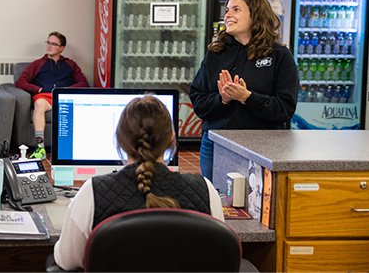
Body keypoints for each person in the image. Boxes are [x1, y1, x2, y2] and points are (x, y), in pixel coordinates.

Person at [53, 95, 224, 271]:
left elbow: (66, 260)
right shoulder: (206, 190)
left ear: (119, 140)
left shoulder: (92, 193)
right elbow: (220, 255)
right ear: (172, 139)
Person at [190, 0, 299, 180]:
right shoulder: (216, 53)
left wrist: (247, 97)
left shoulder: (280, 56)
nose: (228, 15)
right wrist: (222, 99)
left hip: (263, 148)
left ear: (256, 16)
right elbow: (199, 101)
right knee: (217, 202)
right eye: (227, 10)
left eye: (236, 9)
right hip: (216, 144)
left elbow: (284, 109)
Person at [15, 31, 88, 159]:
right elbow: (20, 82)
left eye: (53, 44)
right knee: (39, 104)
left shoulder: (70, 64)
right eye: (48, 43)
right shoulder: (37, 64)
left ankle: (73, 150)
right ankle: (40, 148)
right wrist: (38, 89)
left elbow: (83, 82)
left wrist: (66, 90)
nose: (49, 46)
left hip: (64, 97)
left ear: (61, 48)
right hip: (46, 97)